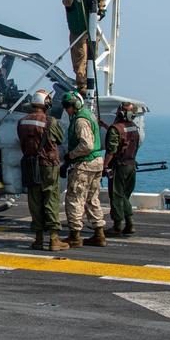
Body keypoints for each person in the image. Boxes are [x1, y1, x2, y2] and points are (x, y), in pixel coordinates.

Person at [17, 90, 69, 251]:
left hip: (30, 165)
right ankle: (54, 239)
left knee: (34, 200)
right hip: (48, 165)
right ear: (46, 104)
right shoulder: (50, 122)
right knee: (51, 199)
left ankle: (38, 238)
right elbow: (59, 139)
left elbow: (22, 141)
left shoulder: (22, 121)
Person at [59, 90, 107, 247]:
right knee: (92, 198)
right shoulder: (88, 115)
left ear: (75, 104)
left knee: (74, 198)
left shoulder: (80, 120)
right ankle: (99, 234)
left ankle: (74, 235)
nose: (66, 109)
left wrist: (70, 156)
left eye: (68, 106)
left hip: (84, 164)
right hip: (96, 162)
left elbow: (86, 145)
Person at [62, 0, 106, 93]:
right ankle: (82, 84)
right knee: (80, 58)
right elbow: (67, 2)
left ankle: (91, 83)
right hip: (77, 32)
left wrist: (101, 10)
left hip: (90, 30)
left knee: (92, 56)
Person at [104, 102, 140, 236]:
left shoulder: (115, 128)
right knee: (125, 195)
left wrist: (104, 165)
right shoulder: (133, 127)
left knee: (117, 195)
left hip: (119, 167)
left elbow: (111, 150)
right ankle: (129, 224)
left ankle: (117, 226)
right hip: (131, 165)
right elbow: (124, 137)